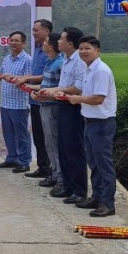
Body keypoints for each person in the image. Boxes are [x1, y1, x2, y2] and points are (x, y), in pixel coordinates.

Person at [67, 36, 117, 218]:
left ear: (97, 50)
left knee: (104, 165)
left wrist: (78, 99)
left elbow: (98, 98)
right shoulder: (89, 69)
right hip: (89, 122)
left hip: (102, 124)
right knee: (94, 163)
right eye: (80, 48)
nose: (83, 52)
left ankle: (108, 203)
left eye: (87, 48)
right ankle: (97, 197)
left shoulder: (101, 70)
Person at [41, 27, 87, 203]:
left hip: (73, 107)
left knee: (74, 149)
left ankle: (79, 190)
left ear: (70, 43)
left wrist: (54, 90)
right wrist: (52, 92)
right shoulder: (67, 60)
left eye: (61, 39)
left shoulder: (78, 62)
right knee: (63, 148)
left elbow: (77, 88)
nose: (57, 41)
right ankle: (67, 186)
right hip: (62, 105)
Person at [0, 31, 33, 173]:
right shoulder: (7, 59)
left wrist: (14, 77)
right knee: (8, 133)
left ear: (23, 43)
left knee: (21, 134)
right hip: (5, 103)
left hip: (19, 104)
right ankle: (11, 158)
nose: (13, 43)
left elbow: (30, 78)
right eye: (11, 40)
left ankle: (24, 162)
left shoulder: (27, 60)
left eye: (17, 40)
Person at [26, 32, 64, 193]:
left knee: (54, 144)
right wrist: (32, 88)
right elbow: (46, 85)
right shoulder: (50, 62)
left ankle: (60, 179)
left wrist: (42, 93)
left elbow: (60, 89)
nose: (43, 44)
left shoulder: (60, 63)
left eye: (47, 42)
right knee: (48, 143)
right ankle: (55, 175)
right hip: (44, 105)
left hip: (53, 107)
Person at [23, 19, 54, 179]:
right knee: (38, 136)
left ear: (46, 31)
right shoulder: (37, 50)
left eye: (36, 30)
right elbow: (35, 74)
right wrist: (22, 78)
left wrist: (26, 80)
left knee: (48, 137)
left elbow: (46, 77)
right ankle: (42, 167)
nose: (34, 33)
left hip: (46, 99)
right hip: (34, 99)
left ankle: (51, 171)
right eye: (33, 30)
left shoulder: (53, 53)